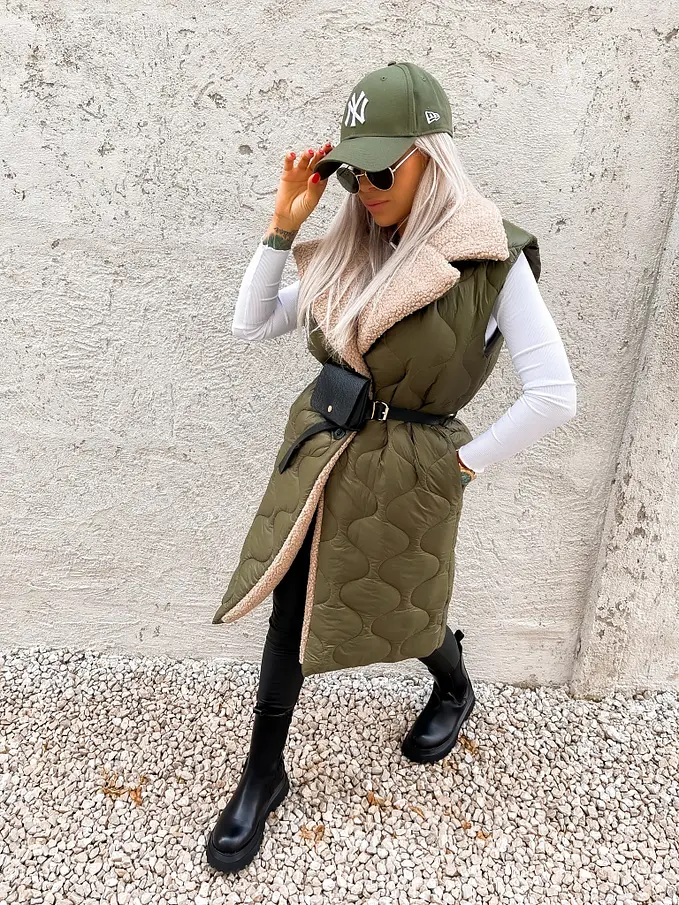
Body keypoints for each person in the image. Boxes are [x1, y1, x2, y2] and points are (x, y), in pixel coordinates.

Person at [206, 61, 577, 874]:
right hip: (321, 448)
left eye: (382, 169)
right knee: (295, 598)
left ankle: (453, 682)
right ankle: (262, 774)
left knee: (403, 601)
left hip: (410, 467)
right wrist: (282, 227)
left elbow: (554, 394)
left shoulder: (493, 257)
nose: (365, 188)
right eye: (352, 171)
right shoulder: (356, 244)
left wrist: (459, 468)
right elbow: (250, 325)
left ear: (430, 158)